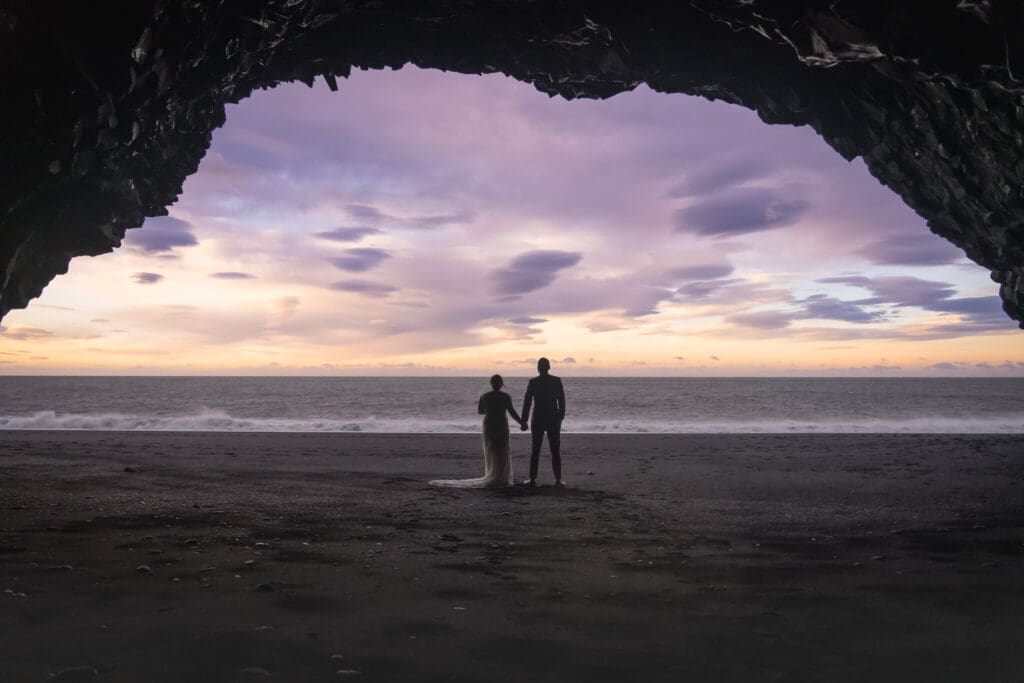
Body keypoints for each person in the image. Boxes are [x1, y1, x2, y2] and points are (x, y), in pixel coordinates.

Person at [429, 374, 525, 489]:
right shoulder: (505, 396)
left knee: (492, 450)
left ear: (491, 383)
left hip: (489, 424)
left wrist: (491, 411)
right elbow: (512, 412)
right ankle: (501, 477)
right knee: (502, 450)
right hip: (501, 424)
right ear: (502, 384)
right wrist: (522, 423)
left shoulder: (484, 396)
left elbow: (480, 411)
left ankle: (493, 474)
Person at [521, 357, 566, 487]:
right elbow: (562, 401)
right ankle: (557, 479)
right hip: (552, 418)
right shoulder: (556, 381)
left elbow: (527, 403)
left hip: (538, 418)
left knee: (536, 449)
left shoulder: (533, 382)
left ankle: (532, 479)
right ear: (549, 367)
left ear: (538, 368)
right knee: (555, 449)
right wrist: (560, 416)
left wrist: (524, 421)